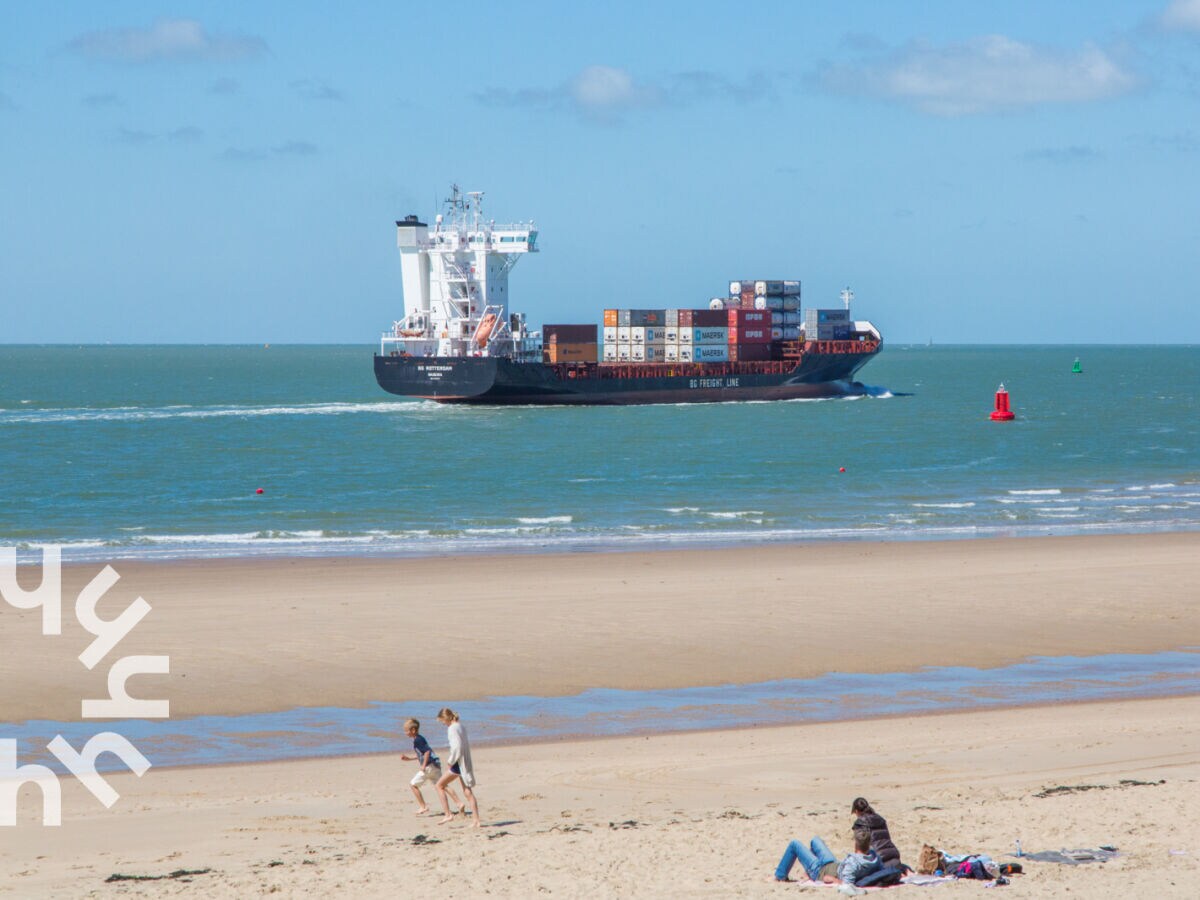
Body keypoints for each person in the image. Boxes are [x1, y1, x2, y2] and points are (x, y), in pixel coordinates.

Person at [398, 717, 462, 815]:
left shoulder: (418, 740)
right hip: (434, 765)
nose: (405, 733)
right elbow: (422, 754)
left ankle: (423, 806)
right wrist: (409, 758)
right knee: (443, 785)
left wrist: (423, 765)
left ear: (413, 730)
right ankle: (459, 802)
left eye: (406, 731)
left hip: (429, 767)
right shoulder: (419, 738)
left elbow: (427, 752)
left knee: (413, 785)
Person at [775, 827, 881, 885]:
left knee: (794, 844)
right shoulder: (874, 857)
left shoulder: (853, 863)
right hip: (833, 864)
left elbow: (847, 884)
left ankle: (780, 876)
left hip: (819, 871)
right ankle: (807, 873)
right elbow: (881, 871)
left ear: (856, 844)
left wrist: (834, 880)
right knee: (815, 840)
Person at [435, 707, 480, 828]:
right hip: (464, 762)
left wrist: (450, 761)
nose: (443, 724)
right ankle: (476, 820)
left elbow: (457, 747)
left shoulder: (452, 728)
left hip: (458, 763)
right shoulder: (461, 726)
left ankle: (448, 814)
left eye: (442, 721)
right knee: (468, 791)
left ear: (445, 718)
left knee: (439, 785)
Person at [850, 797, 903, 869]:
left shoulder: (860, 823)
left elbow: (860, 847)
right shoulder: (880, 819)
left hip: (878, 860)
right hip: (893, 854)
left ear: (856, 811)